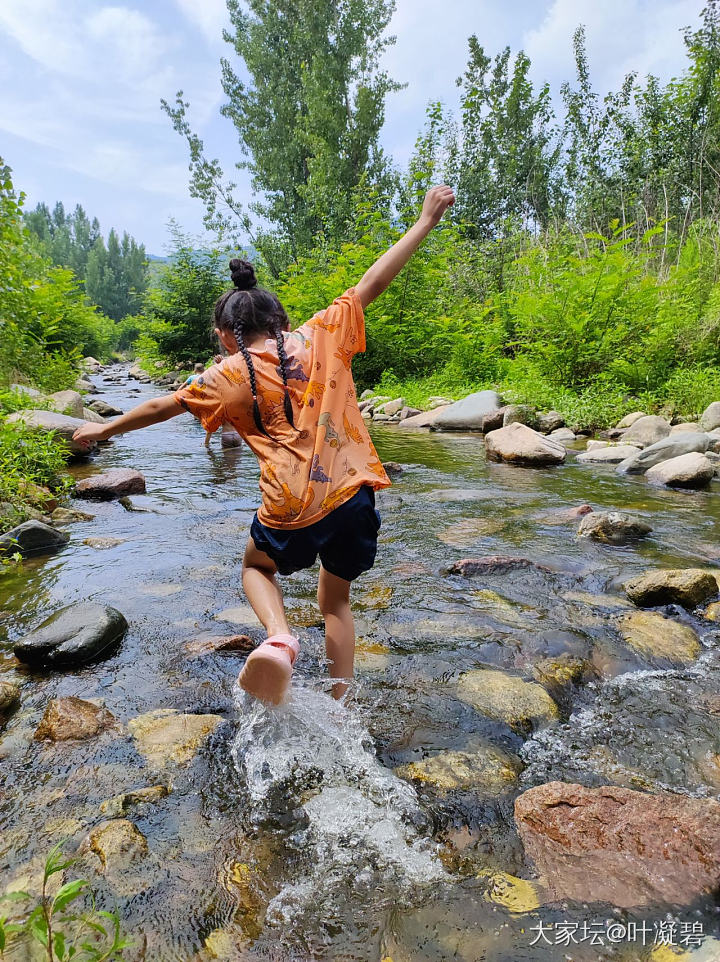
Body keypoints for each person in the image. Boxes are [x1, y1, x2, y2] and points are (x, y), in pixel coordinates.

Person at [72, 185, 455, 705]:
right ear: (281, 321)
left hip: (289, 504)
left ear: (226, 335)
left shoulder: (224, 375)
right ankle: (340, 703)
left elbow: (163, 406)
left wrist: (102, 429)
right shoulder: (322, 334)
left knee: (256, 567)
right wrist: (425, 220)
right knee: (336, 601)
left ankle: (279, 638)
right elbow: (373, 281)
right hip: (353, 495)